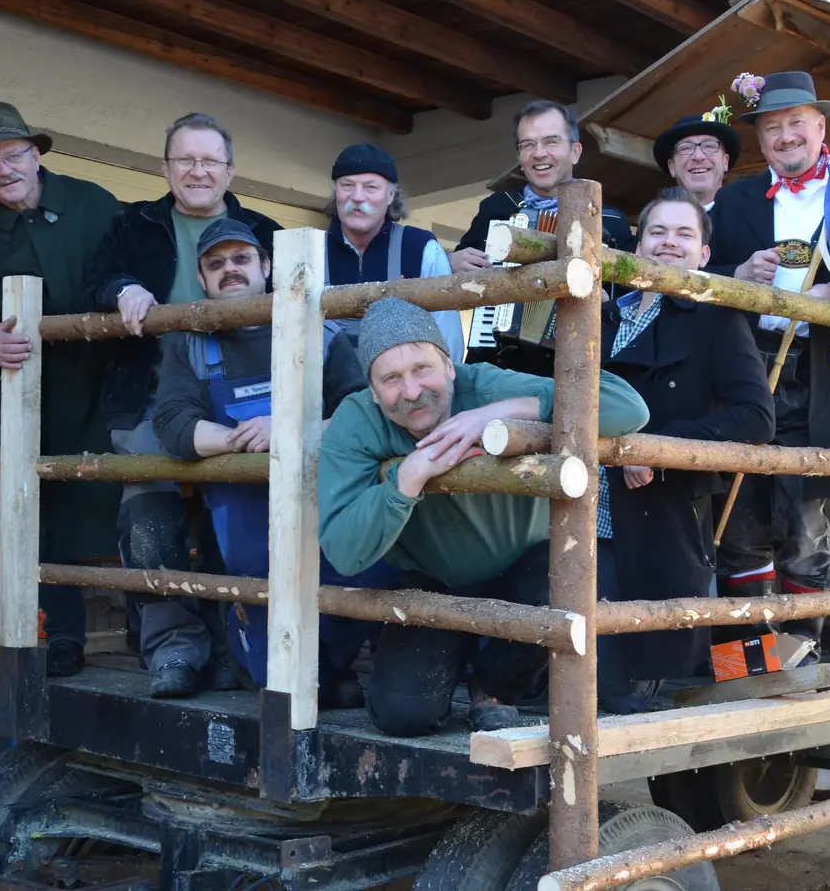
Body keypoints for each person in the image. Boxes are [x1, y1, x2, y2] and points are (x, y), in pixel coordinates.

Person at [319, 298, 649, 736]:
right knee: (403, 715)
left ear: (451, 367)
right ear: (374, 392)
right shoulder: (356, 422)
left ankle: (493, 687)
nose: (413, 390)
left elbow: (630, 408)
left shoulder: (487, 386)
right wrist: (408, 477)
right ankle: (452, 661)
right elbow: (343, 551)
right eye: (392, 379)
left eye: (423, 369)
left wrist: (497, 413)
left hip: (529, 568)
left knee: (570, 575)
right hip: (434, 578)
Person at [705, 72, 830, 659]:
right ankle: (741, 664)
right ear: (762, 140)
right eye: (772, 127)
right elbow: (701, 277)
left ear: (821, 129)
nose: (785, 135)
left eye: (797, 123)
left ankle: (800, 662)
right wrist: (737, 277)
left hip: (818, 372)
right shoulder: (734, 201)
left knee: (802, 527)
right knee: (738, 520)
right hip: (744, 370)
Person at [151, 219, 392, 706]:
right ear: (201, 279)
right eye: (216, 264)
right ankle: (284, 674)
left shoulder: (320, 333)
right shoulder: (192, 344)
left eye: (241, 259)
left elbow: (361, 407)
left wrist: (288, 434)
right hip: (245, 518)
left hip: (327, 500)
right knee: (268, 655)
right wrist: (239, 439)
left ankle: (332, 668)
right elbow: (174, 424)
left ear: (266, 266)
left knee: (354, 579)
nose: (230, 271)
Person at [84, 112, 281, 698]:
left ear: (230, 170)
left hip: (246, 393)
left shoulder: (262, 229)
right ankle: (173, 650)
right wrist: (123, 289)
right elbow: (93, 281)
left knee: (242, 511)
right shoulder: (132, 224)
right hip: (150, 397)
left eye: (209, 161)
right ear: (165, 167)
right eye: (185, 160)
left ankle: (234, 647)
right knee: (150, 509)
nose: (198, 171)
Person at [0, 100, 122, 677]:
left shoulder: (94, 204)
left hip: (107, 385)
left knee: (137, 500)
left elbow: (132, 274)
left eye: (12, 155)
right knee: (29, 517)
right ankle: (61, 637)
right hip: (17, 398)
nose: (3, 170)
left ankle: (153, 631)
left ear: (36, 155)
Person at [595, 188, 773, 712]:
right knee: (560, 657)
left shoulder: (716, 320)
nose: (668, 243)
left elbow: (756, 418)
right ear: (638, 244)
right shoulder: (598, 317)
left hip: (660, 512)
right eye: (657, 231)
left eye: (683, 234)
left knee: (618, 686)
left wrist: (658, 447)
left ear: (704, 255)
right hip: (582, 510)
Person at [451, 100, 634, 372]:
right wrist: (452, 262)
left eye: (551, 142)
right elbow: (459, 276)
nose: (539, 153)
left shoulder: (608, 222)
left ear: (575, 151)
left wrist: (606, 305)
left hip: (575, 368)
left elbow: (628, 303)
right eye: (528, 145)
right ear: (520, 157)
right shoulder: (497, 208)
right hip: (498, 362)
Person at [323, 142, 464, 361]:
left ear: (390, 196)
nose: (357, 197)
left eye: (371, 187)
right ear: (336, 192)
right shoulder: (309, 252)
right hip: (326, 393)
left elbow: (448, 342)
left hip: (404, 391)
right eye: (347, 185)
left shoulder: (421, 249)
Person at [653, 113, 740, 209]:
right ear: (672, 167)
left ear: (725, 161)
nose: (698, 156)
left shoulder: (753, 216)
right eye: (686, 148)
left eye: (709, 146)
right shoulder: (657, 220)